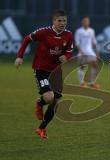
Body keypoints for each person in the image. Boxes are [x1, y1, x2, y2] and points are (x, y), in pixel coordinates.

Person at [14, 10, 73, 139]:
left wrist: (66, 57)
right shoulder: (44, 32)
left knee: (56, 102)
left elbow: (69, 51)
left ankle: (41, 128)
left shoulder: (68, 35)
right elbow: (27, 39)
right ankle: (40, 103)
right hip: (41, 69)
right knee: (49, 98)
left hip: (56, 71)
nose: (62, 23)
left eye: (64, 21)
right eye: (60, 21)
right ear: (54, 21)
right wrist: (19, 56)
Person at [74, 16, 100, 89]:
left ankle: (92, 83)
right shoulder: (79, 31)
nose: (86, 22)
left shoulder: (91, 31)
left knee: (95, 65)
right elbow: (77, 42)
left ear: (89, 22)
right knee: (81, 66)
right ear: (82, 22)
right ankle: (81, 83)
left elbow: (94, 42)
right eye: (85, 21)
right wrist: (81, 51)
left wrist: (97, 52)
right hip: (82, 51)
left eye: (87, 21)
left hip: (90, 51)